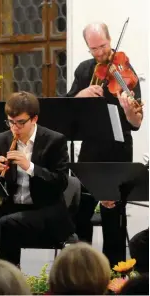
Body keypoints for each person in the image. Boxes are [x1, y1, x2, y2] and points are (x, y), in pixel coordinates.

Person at [0, 91, 75, 266]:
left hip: (47, 210)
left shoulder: (54, 140)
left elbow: (61, 182)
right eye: (11, 122)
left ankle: (7, 285)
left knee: (8, 224)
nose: (15, 128)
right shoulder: (2, 139)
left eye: (21, 123)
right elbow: (1, 187)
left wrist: (29, 166)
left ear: (34, 119)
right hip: (13, 207)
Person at [66, 22, 144, 267]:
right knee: (81, 214)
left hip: (118, 153)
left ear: (110, 41)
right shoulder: (84, 70)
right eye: (94, 49)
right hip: (90, 151)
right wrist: (82, 95)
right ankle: (84, 271)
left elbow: (137, 122)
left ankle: (116, 278)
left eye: (103, 46)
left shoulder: (125, 72)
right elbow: (69, 106)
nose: (100, 53)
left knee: (113, 219)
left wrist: (128, 109)